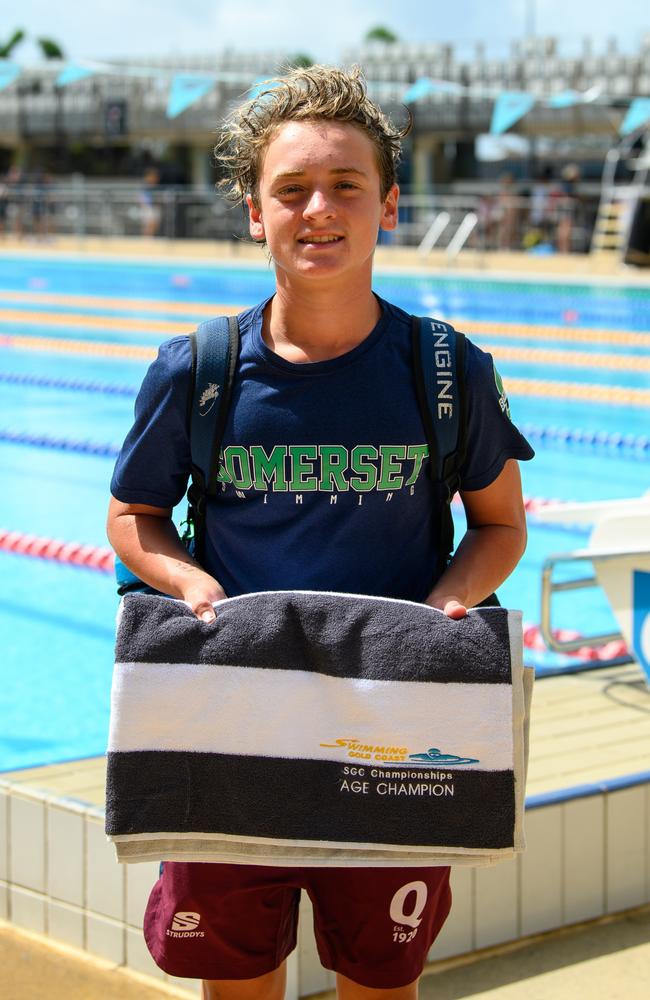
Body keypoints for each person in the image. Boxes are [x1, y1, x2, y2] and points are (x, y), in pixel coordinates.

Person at [107, 65, 534, 1000]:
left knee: (380, 985)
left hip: (390, 734)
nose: (319, 208)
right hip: (232, 725)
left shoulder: (446, 370)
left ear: (388, 206)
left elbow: (499, 526)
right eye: (291, 188)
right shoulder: (199, 370)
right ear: (255, 212)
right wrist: (184, 581)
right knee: (241, 982)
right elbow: (135, 518)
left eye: (346, 185)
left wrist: (449, 601)